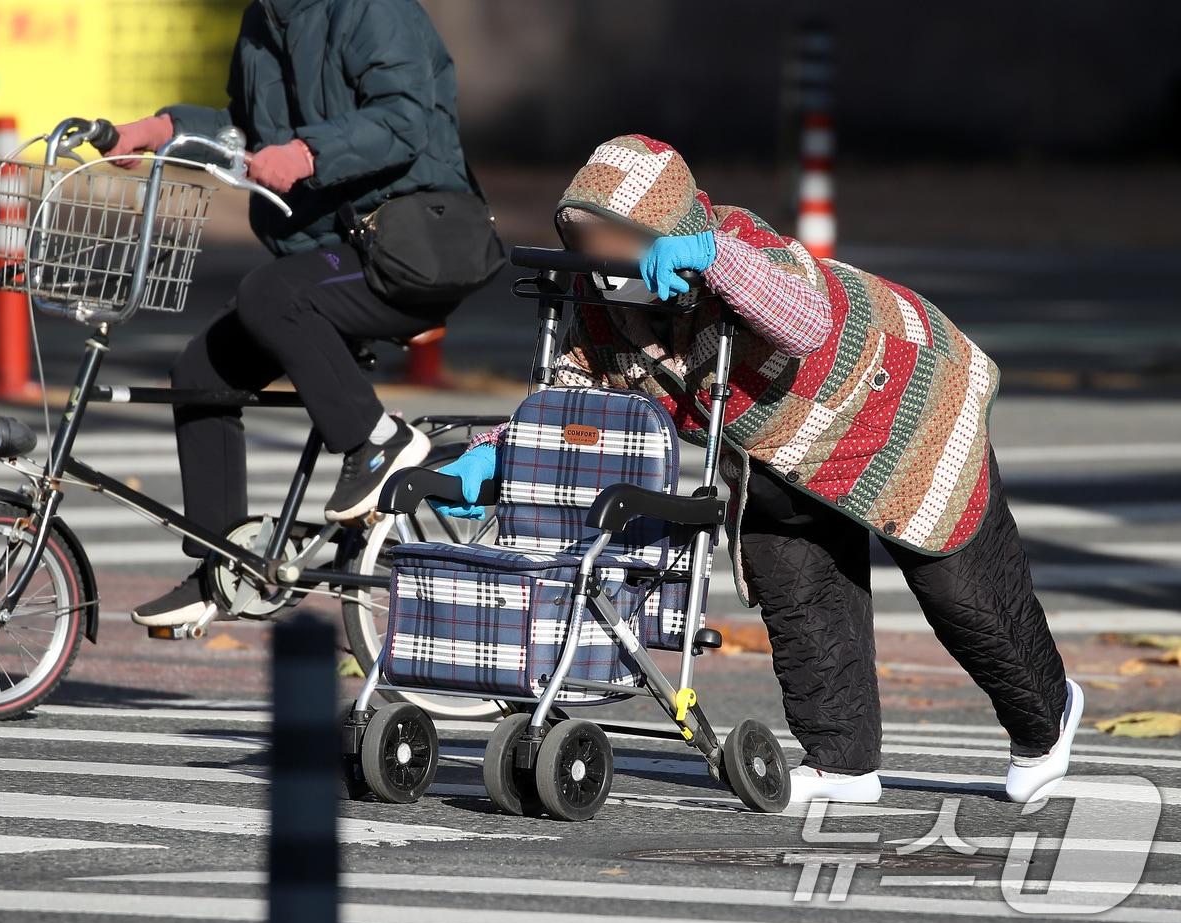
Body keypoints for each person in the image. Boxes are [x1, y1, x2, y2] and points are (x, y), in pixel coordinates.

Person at [436, 134, 1083, 805]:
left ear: (664, 227)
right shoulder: (602, 311)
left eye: (613, 237)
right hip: (781, 452)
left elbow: (804, 320)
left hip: (900, 405)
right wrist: (497, 451)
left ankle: (1048, 715)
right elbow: (573, 401)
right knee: (797, 591)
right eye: (582, 237)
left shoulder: (739, 241)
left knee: (963, 595)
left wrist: (714, 259)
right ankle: (841, 762)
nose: (599, 258)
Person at [104, 0, 476, 628]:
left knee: (271, 292)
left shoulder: (368, 9)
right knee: (202, 371)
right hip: (333, 251)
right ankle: (224, 566)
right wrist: (164, 129)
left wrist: (306, 155)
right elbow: (246, 129)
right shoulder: (261, 23)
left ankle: (378, 441)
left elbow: (407, 117)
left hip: (412, 240)